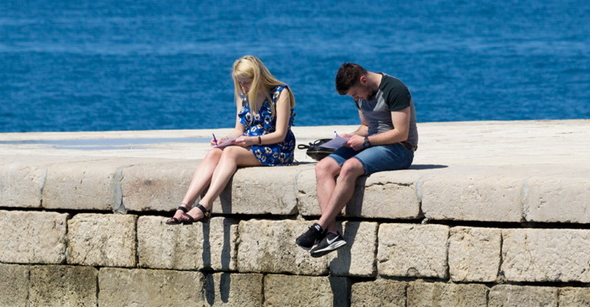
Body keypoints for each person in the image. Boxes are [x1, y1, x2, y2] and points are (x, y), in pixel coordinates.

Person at [295, 63, 418, 256]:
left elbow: (401, 134)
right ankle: (332, 233)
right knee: (323, 167)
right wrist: (348, 138)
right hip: (371, 143)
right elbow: (366, 126)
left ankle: (319, 226)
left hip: (399, 149)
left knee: (350, 167)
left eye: (355, 93)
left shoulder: (395, 89)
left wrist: (366, 141)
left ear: (363, 79)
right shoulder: (361, 93)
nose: (355, 98)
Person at [166, 55, 295, 224]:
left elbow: (280, 134)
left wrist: (252, 140)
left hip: (276, 147)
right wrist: (225, 139)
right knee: (215, 153)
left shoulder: (280, 92)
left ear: (257, 78)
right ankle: (184, 206)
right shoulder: (244, 95)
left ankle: (204, 206)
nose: (243, 86)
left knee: (230, 153)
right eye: (240, 82)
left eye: (246, 82)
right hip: (251, 144)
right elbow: (238, 130)